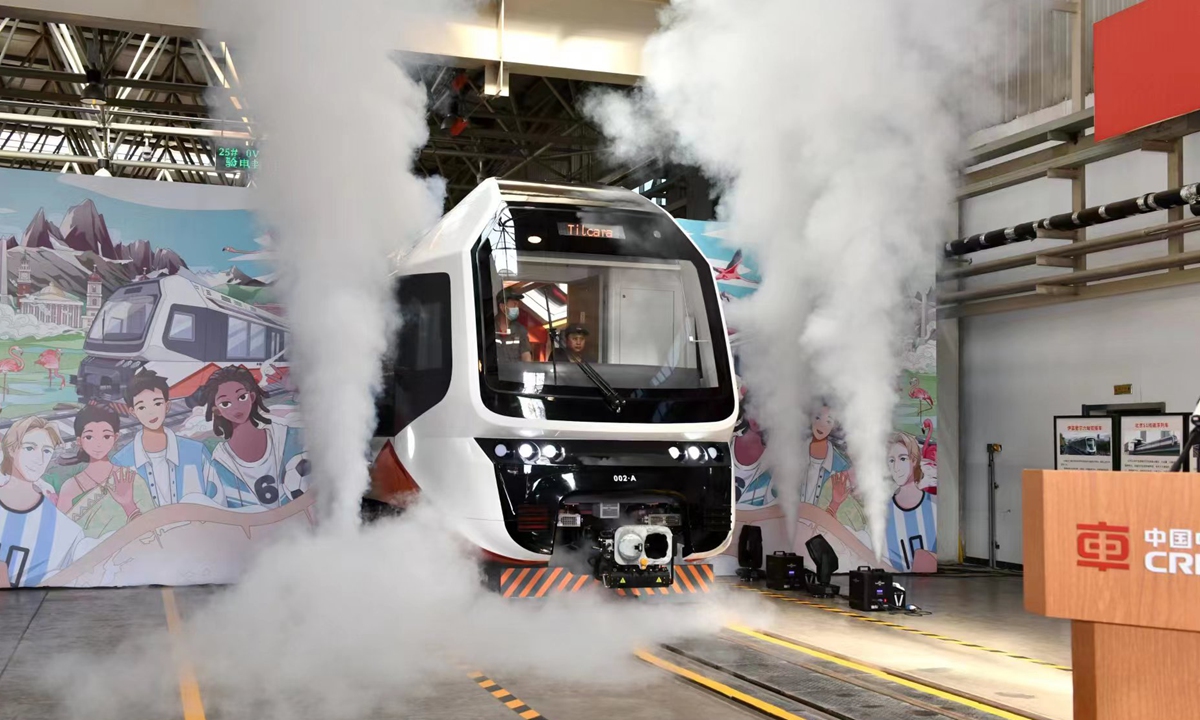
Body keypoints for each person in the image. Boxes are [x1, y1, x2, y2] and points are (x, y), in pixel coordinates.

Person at [0, 416, 92, 587]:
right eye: (29, 448)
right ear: (11, 450)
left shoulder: (66, 532)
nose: (39, 459)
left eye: (47, 451)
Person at [111, 369, 224, 508]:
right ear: (133, 412)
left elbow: (218, 501)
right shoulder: (122, 461)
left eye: (157, 403)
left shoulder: (196, 452)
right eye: (142, 407)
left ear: (167, 406)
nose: (151, 412)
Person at [201, 365, 308, 510]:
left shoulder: (286, 436)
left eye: (242, 397)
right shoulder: (219, 463)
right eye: (225, 403)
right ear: (217, 410)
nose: (236, 406)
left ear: (251, 397)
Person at [56, 402, 155, 539]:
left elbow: (153, 531)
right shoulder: (69, 487)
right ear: (79, 441)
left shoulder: (131, 479)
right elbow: (61, 537)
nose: (98, 444)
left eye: (106, 436)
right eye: (89, 437)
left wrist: (128, 504)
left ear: (116, 437)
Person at [883, 431, 937, 573]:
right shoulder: (883, 513)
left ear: (914, 461)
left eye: (902, 459)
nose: (896, 467)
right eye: (891, 460)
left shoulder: (935, 506)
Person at [494, 289, 531, 362]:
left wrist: (528, 367)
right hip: (494, 369)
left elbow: (526, 356)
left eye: (517, 305)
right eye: (514, 304)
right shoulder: (487, 328)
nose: (517, 308)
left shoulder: (520, 330)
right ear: (502, 307)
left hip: (515, 370)